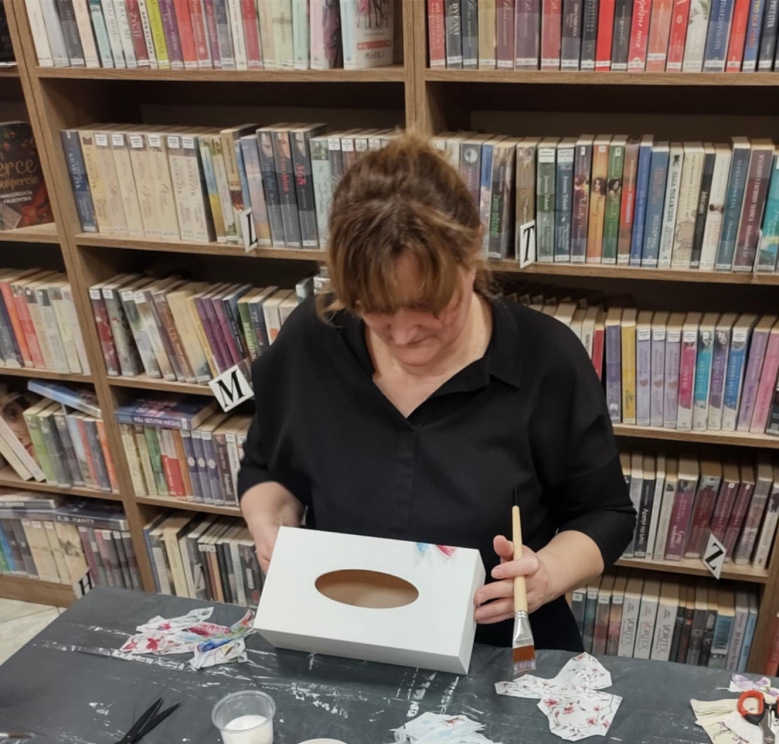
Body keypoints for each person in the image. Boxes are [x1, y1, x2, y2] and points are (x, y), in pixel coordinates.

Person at [238, 134, 635, 651]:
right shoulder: (312, 342)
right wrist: (270, 524)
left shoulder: (545, 360)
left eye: (429, 304)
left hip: (498, 649)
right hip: (347, 637)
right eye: (376, 309)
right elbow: (266, 468)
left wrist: (547, 573)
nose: (404, 336)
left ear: (471, 255)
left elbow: (606, 515)